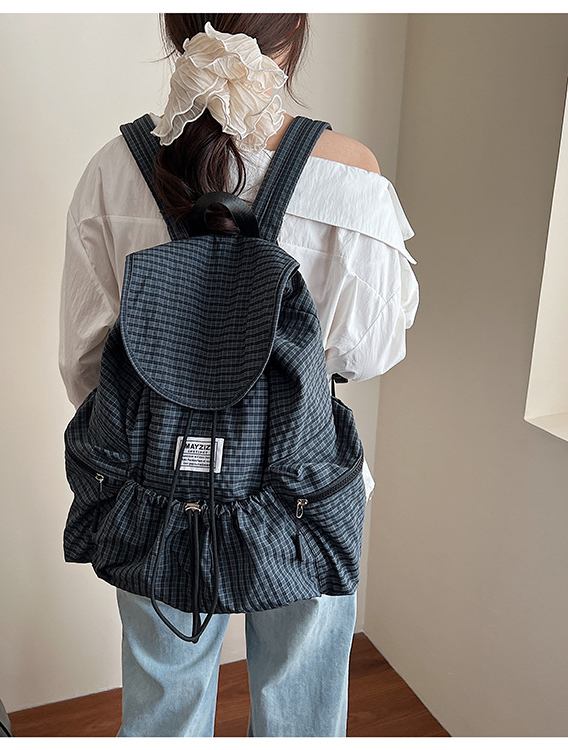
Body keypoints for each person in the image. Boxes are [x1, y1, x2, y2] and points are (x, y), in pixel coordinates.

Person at [59, 13, 419, 738]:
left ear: (176, 28)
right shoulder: (351, 173)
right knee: (302, 714)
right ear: (295, 29)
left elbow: (85, 360)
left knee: (163, 708)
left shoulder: (113, 167)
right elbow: (370, 351)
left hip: (153, 486)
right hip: (303, 493)